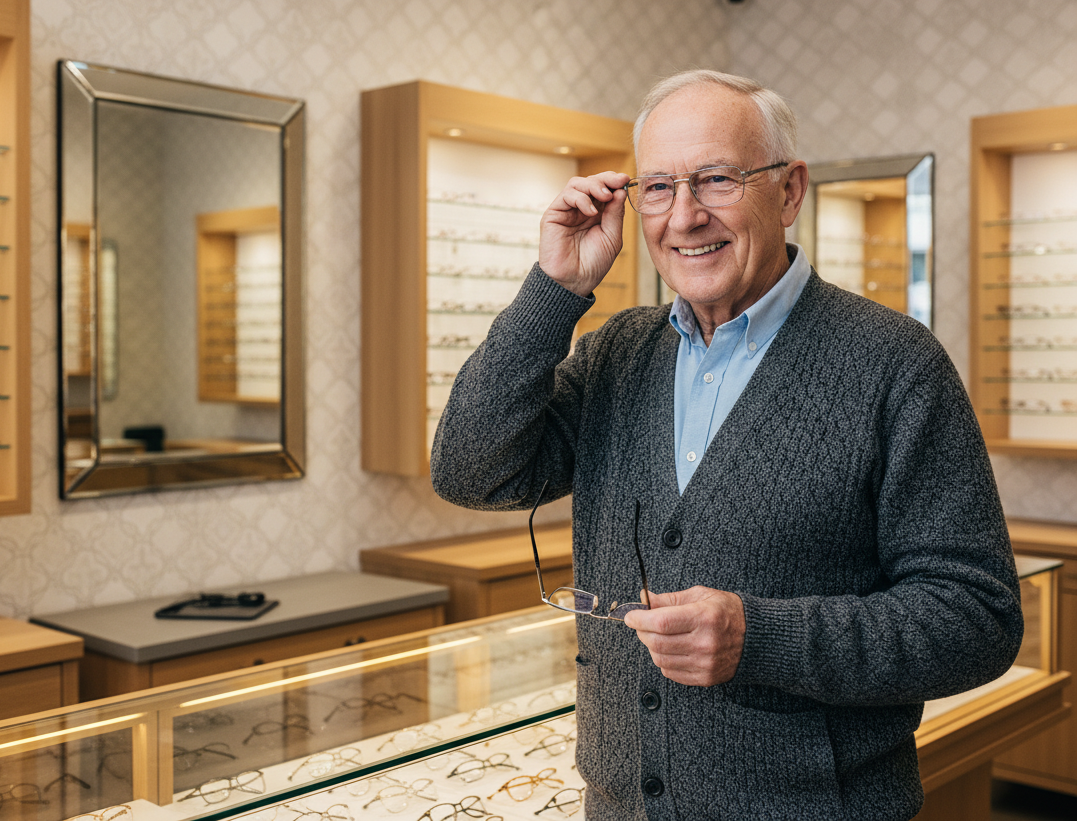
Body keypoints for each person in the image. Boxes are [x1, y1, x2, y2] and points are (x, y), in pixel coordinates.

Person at [430, 69, 1023, 821]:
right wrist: (554, 292)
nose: (684, 217)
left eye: (716, 179)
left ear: (790, 189)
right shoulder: (619, 352)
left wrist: (760, 638)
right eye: (657, 187)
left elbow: (976, 620)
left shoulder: (895, 364)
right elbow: (472, 473)